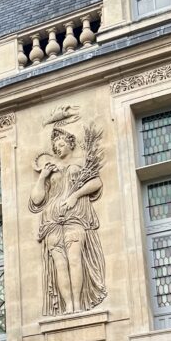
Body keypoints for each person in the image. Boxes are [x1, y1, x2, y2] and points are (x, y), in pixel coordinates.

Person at [29, 125, 105, 315]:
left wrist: (75, 196)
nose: (57, 148)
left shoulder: (81, 164)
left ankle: (78, 305)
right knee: (59, 265)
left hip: (74, 217)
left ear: (70, 144)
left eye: (61, 144)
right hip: (51, 223)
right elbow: (37, 199)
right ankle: (68, 307)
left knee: (74, 259)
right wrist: (42, 177)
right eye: (55, 146)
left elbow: (97, 183)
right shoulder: (50, 170)